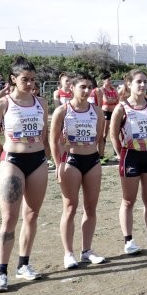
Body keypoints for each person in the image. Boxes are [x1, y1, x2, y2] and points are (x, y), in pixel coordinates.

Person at [0, 56, 49, 292]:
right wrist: (4, 157)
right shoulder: (2, 104)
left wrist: (45, 155)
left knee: (32, 215)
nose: (31, 83)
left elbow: (43, 134)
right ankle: (1, 273)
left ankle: (24, 264)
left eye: (33, 79)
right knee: (10, 219)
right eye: (25, 79)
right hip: (12, 161)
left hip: (38, 161)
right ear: (13, 79)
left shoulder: (41, 103)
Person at [48, 71, 107, 268]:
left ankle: (87, 251)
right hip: (70, 161)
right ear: (71, 88)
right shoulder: (62, 111)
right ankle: (68, 253)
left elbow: (98, 137)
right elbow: (54, 139)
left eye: (90, 87)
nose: (87, 90)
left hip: (92, 161)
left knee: (90, 208)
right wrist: (58, 164)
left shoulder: (97, 112)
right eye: (83, 86)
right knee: (70, 208)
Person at [109, 69, 147, 254]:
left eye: (145, 81)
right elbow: (113, 133)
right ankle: (129, 240)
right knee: (128, 201)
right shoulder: (121, 107)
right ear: (129, 84)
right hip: (130, 156)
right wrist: (120, 153)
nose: (142, 85)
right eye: (138, 81)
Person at [92, 72, 119, 165]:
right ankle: (100, 155)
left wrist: (112, 101)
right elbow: (106, 100)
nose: (110, 81)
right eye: (109, 80)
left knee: (115, 133)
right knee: (103, 134)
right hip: (106, 112)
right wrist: (113, 100)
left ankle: (116, 153)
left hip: (114, 112)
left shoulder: (113, 89)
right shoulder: (101, 89)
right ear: (104, 80)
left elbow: (117, 99)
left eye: (111, 79)